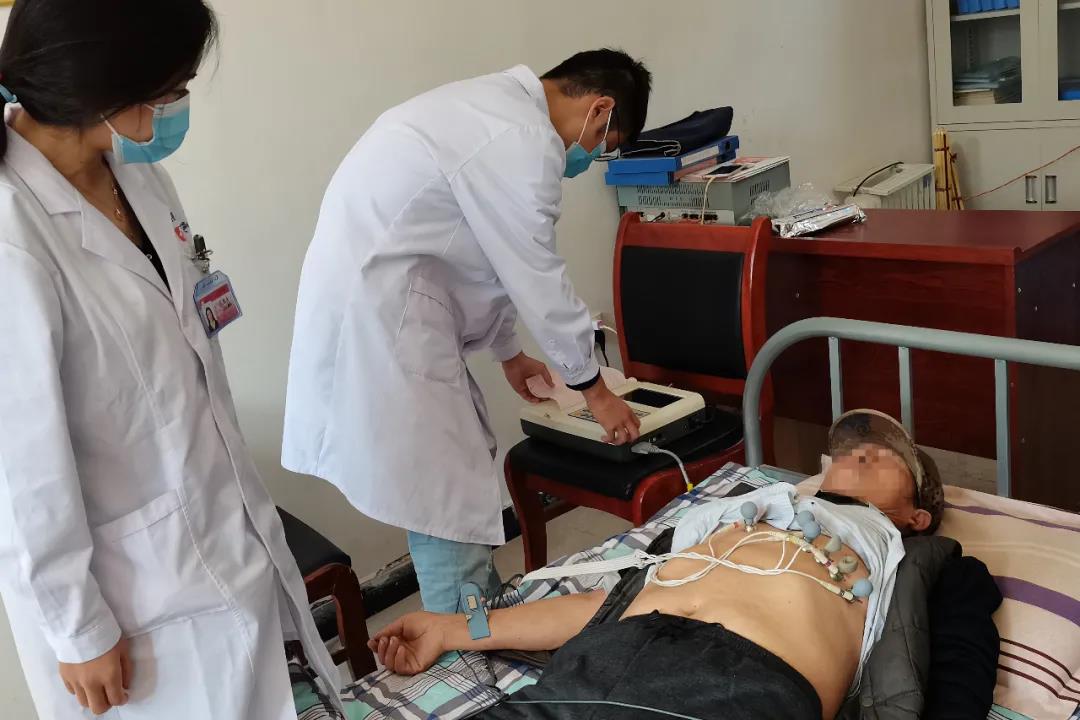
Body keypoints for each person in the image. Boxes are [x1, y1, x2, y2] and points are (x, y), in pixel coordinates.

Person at [0, 2, 340, 718]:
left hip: (216, 525)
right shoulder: (12, 233)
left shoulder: (131, 172)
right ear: (106, 86)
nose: (178, 105)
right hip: (128, 595)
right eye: (172, 89)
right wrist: (77, 626)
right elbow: (17, 464)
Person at [282, 50, 653, 613]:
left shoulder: (485, 110)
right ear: (600, 108)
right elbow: (537, 275)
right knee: (444, 489)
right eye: (604, 141)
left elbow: (486, 253)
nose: (590, 156)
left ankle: (471, 612)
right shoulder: (523, 139)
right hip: (386, 325)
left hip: (381, 311)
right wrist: (595, 391)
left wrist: (510, 352)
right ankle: (464, 633)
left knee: (447, 477)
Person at [369, 410, 1000, 719]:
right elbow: (612, 604)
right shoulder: (748, 512)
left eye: (889, 456)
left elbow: (958, 667)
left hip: (742, 687)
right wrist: (453, 629)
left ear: (918, 514)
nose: (863, 449)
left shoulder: (922, 559)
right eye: (855, 446)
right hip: (595, 667)